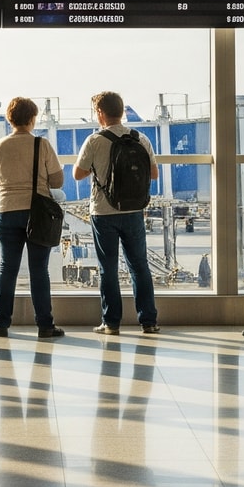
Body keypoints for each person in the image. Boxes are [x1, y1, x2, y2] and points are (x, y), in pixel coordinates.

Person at [74, 91, 160, 335]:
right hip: (134, 209)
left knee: (108, 268)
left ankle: (111, 323)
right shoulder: (140, 138)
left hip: (103, 212)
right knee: (139, 266)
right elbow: (154, 174)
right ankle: (149, 321)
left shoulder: (94, 140)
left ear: (100, 113)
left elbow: (77, 175)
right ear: (121, 111)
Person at [0, 97, 65, 339]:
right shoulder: (42, 145)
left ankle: (1, 324)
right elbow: (58, 181)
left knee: (7, 268)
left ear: (9, 119)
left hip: (7, 210)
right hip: (36, 212)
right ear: (32, 119)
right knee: (38, 270)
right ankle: (45, 325)